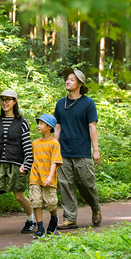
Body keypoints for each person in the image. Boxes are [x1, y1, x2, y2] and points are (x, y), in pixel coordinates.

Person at [0, 89, 36, 238]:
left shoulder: (22, 122)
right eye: (2, 100)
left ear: (14, 102)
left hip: (16, 163)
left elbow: (27, 146)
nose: (4, 102)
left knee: (19, 196)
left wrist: (27, 164)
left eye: (8, 99)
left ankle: (31, 220)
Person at [53, 68, 102, 230]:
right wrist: (54, 149)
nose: (67, 81)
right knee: (66, 185)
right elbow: (57, 127)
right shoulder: (60, 103)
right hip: (64, 152)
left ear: (80, 84)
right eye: (67, 79)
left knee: (86, 184)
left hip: (82, 151)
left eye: (72, 79)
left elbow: (92, 127)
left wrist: (95, 150)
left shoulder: (88, 103)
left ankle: (95, 207)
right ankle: (70, 218)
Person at [29, 113, 63, 238]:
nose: (38, 126)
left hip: (49, 177)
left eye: (41, 124)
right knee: (36, 201)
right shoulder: (35, 143)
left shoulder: (54, 143)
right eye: (38, 123)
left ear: (49, 127)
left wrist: (50, 176)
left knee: (50, 203)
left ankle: (54, 218)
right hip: (35, 177)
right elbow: (31, 159)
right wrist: (24, 166)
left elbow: (55, 161)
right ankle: (40, 227)